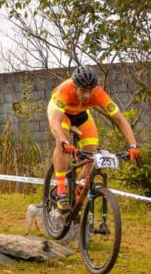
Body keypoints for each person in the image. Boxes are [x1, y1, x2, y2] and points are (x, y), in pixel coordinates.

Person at [47, 65, 141, 211]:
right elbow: (55, 121)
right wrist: (64, 142)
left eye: (90, 91)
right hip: (61, 114)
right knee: (62, 141)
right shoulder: (65, 90)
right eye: (83, 90)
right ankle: (61, 190)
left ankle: (78, 186)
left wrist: (133, 146)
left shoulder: (99, 94)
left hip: (82, 114)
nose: (86, 95)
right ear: (75, 86)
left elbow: (120, 120)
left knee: (92, 152)